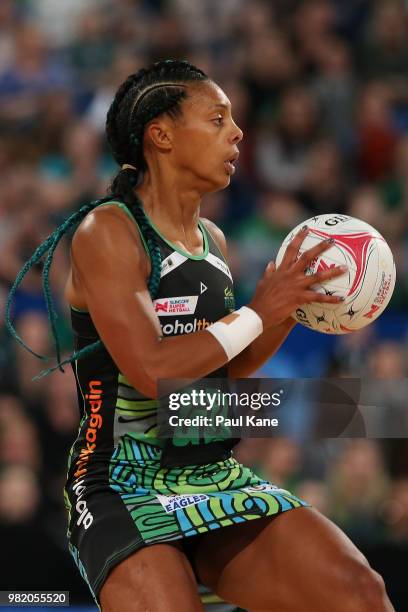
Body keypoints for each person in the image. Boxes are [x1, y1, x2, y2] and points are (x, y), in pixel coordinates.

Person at [6, 59, 394, 612]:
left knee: (360, 594)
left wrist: (288, 308)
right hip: (119, 480)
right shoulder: (108, 230)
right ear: (160, 136)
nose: (237, 132)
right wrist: (260, 313)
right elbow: (154, 370)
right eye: (217, 119)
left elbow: (215, 380)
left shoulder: (212, 240)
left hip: (211, 470)